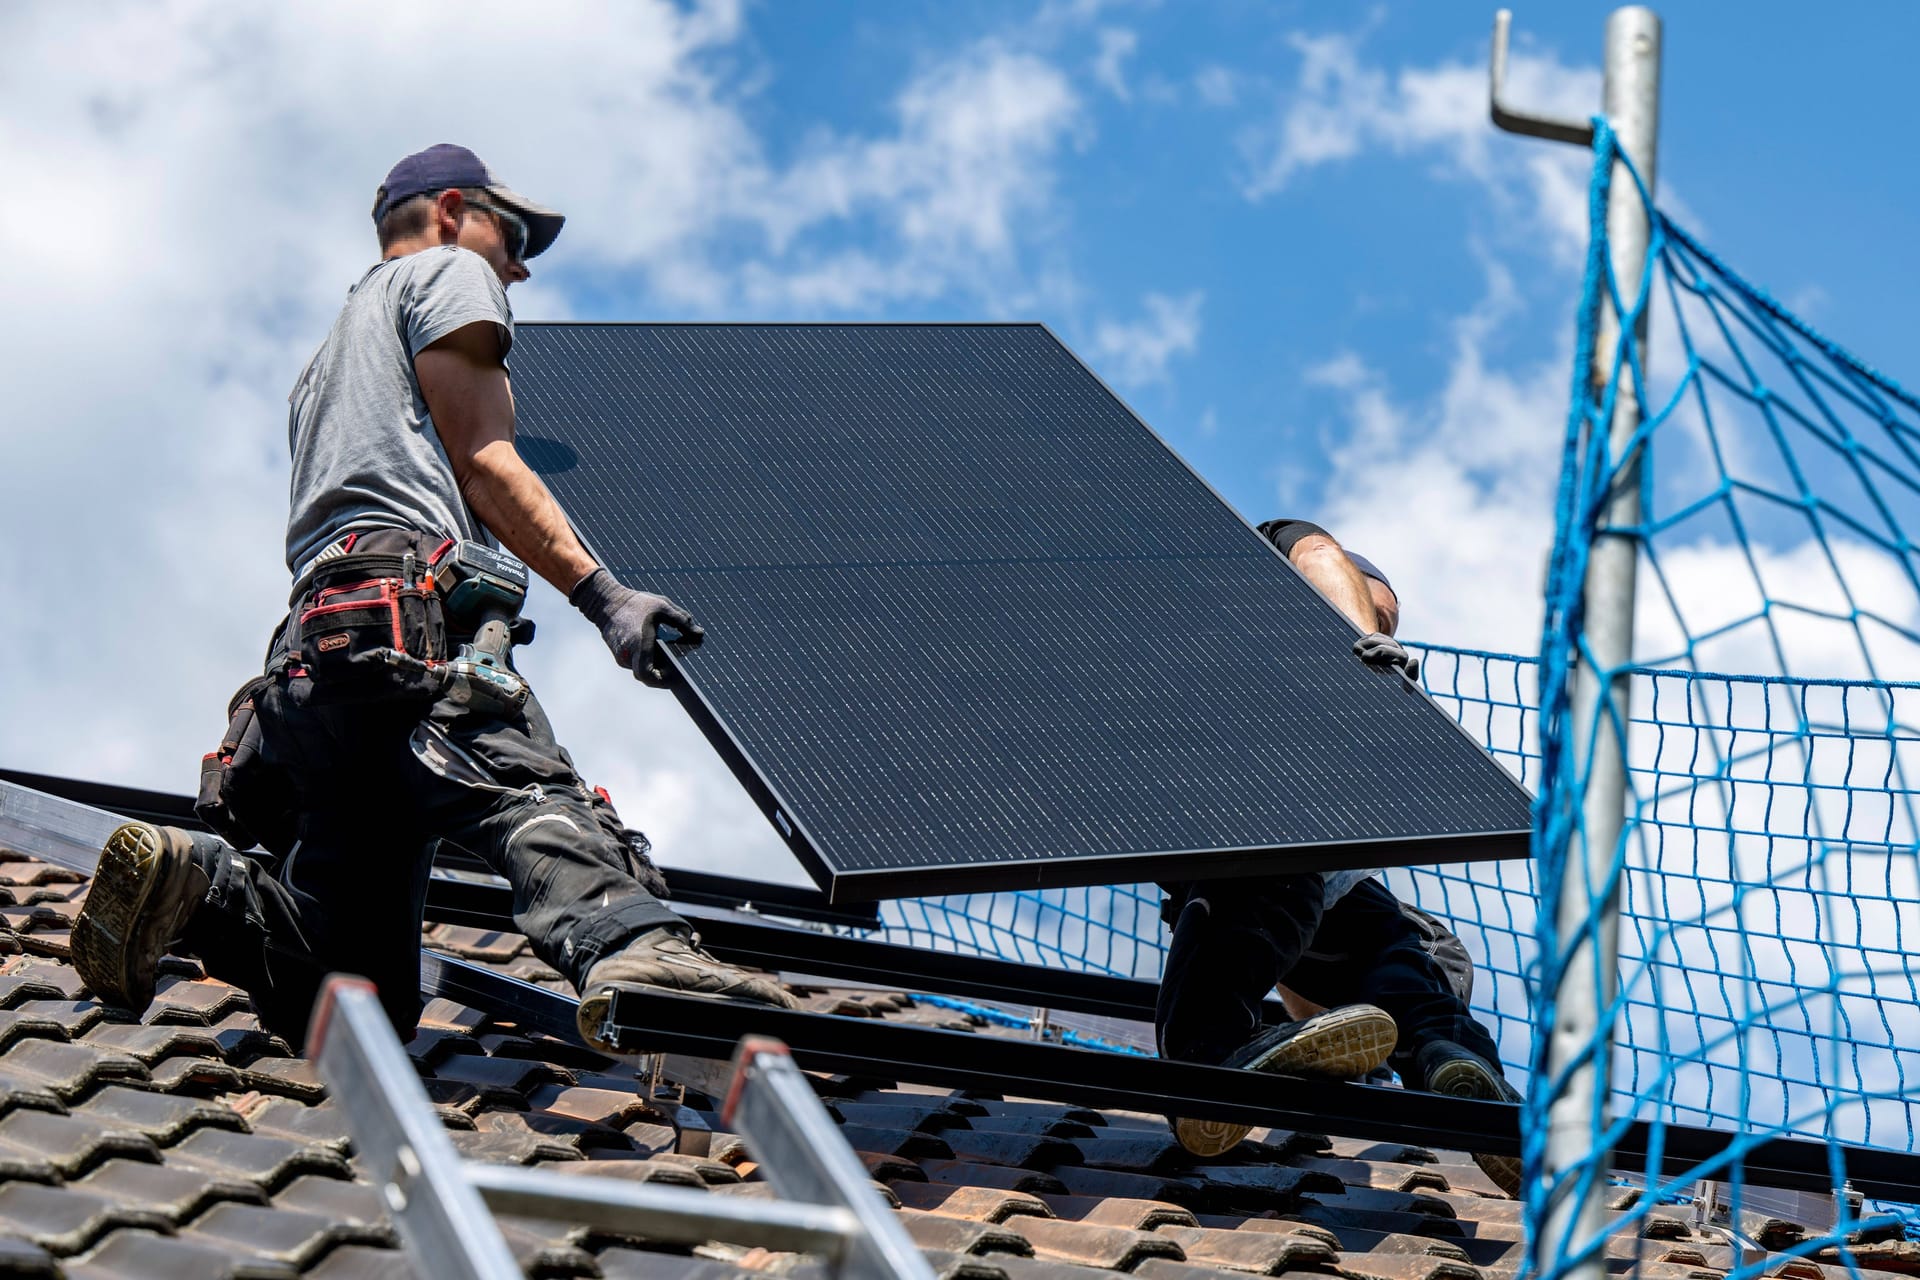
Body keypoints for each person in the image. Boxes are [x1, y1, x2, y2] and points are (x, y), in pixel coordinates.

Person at [71, 144, 793, 1052]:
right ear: (451, 210)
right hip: (411, 632)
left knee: (348, 997)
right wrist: (603, 596)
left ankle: (204, 887)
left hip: (311, 668)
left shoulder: (325, 362)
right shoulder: (448, 273)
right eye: (515, 232)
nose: (521, 263)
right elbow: (484, 458)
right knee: (527, 799)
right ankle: (641, 953)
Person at [1161, 519, 1520, 1197]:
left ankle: (1454, 1068)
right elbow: (1318, 553)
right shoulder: (1268, 573)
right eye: (1381, 608)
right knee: (1323, 928)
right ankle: (1215, 1070)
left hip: (1313, 869)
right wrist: (1369, 641)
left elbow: (1291, 950)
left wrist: (1318, 1036)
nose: (1391, 626)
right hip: (1254, 826)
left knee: (1400, 959)